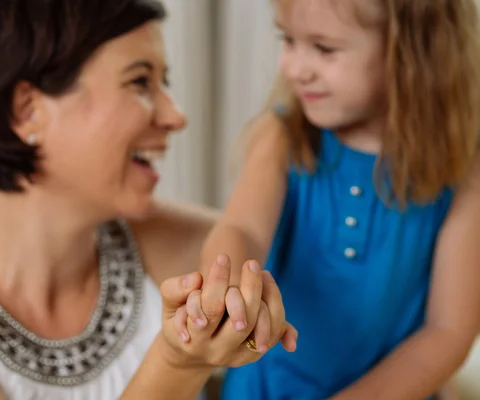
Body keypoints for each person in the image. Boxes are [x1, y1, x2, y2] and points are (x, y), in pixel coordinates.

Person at [0, 1, 298, 399]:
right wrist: (179, 364)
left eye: (163, 83)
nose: (175, 116)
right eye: (139, 82)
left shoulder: (188, 248)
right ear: (27, 109)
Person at [179, 0, 480, 399]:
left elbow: (447, 332)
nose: (294, 68)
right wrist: (227, 291)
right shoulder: (282, 136)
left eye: (323, 49)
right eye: (288, 40)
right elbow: (243, 229)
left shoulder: (464, 171)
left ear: (411, 51)